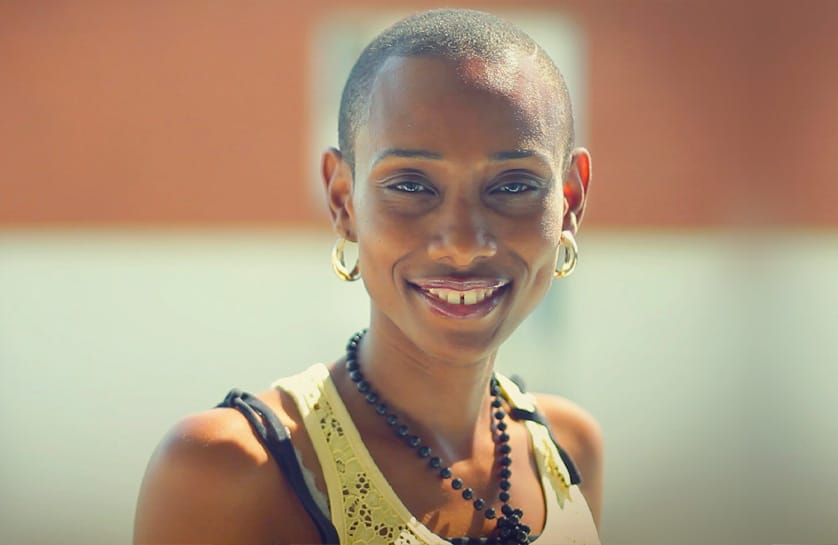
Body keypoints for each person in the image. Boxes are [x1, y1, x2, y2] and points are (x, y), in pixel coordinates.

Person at [134, 8, 602, 545]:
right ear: (342, 200)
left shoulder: (569, 449)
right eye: (410, 185)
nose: (463, 242)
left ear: (570, 200)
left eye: (514, 186)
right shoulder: (231, 469)